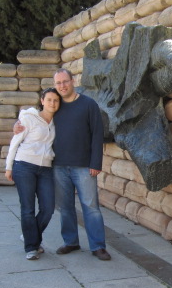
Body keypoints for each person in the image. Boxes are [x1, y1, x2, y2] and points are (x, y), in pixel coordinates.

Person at [14, 68, 111, 261]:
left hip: (84, 166)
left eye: (65, 81)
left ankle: (98, 246)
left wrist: (96, 163)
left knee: (91, 206)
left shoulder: (88, 104)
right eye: (58, 83)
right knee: (65, 207)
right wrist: (16, 124)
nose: (62, 86)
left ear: (72, 81)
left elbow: (97, 134)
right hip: (58, 166)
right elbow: (32, 115)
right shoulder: (54, 105)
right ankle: (71, 241)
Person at [6, 88, 61, 260]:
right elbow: (15, 142)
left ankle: (29, 235)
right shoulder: (29, 118)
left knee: (48, 208)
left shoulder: (57, 121)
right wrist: (8, 167)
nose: (52, 103)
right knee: (28, 208)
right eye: (49, 99)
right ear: (42, 101)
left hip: (45, 168)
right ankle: (31, 247)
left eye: (56, 100)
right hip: (24, 166)